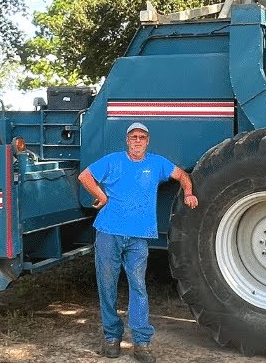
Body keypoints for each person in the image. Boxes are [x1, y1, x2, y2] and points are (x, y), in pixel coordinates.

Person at [78, 122, 198, 362]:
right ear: (127, 140)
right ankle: (112, 338)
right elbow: (85, 176)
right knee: (107, 286)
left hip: (138, 237)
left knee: (139, 288)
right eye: (133, 136)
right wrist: (100, 195)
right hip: (108, 233)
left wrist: (188, 192)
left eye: (142, 137)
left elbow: (183, 175)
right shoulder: (113, 161)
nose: (137, 140)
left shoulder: (156, 164)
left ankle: (141, 343)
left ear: (148, 141)